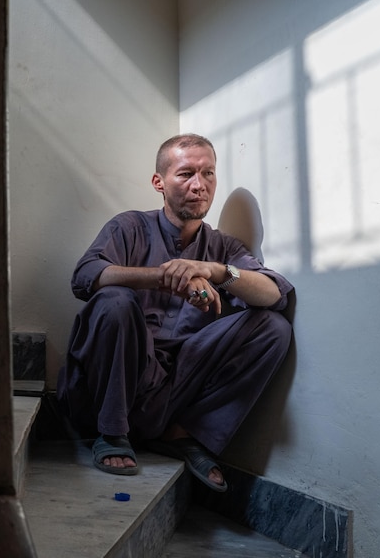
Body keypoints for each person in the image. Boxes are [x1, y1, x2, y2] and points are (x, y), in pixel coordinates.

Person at [56, 134, 294, 492]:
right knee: (114, 301)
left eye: (208, 174)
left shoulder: (223, 247)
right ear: (159, 183)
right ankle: (112, 431)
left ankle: (182, 435)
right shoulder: (129, 227)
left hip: (175, 389)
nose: (199, 186)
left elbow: (275, 293)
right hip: (108, 388)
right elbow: (85, 276)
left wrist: (213, 271)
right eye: (185, 174)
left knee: (273, 328)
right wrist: (166, 277)